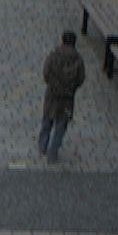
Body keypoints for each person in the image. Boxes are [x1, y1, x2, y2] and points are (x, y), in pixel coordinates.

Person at [39, 30, 88, 162]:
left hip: (52, 95)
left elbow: (46, 72)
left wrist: (52, 85)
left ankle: (42, 146)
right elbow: (81, 78)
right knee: (61, 126)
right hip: (67, 98)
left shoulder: (54, 56)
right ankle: (53, 152)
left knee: (47, 120)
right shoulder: (78, 60)